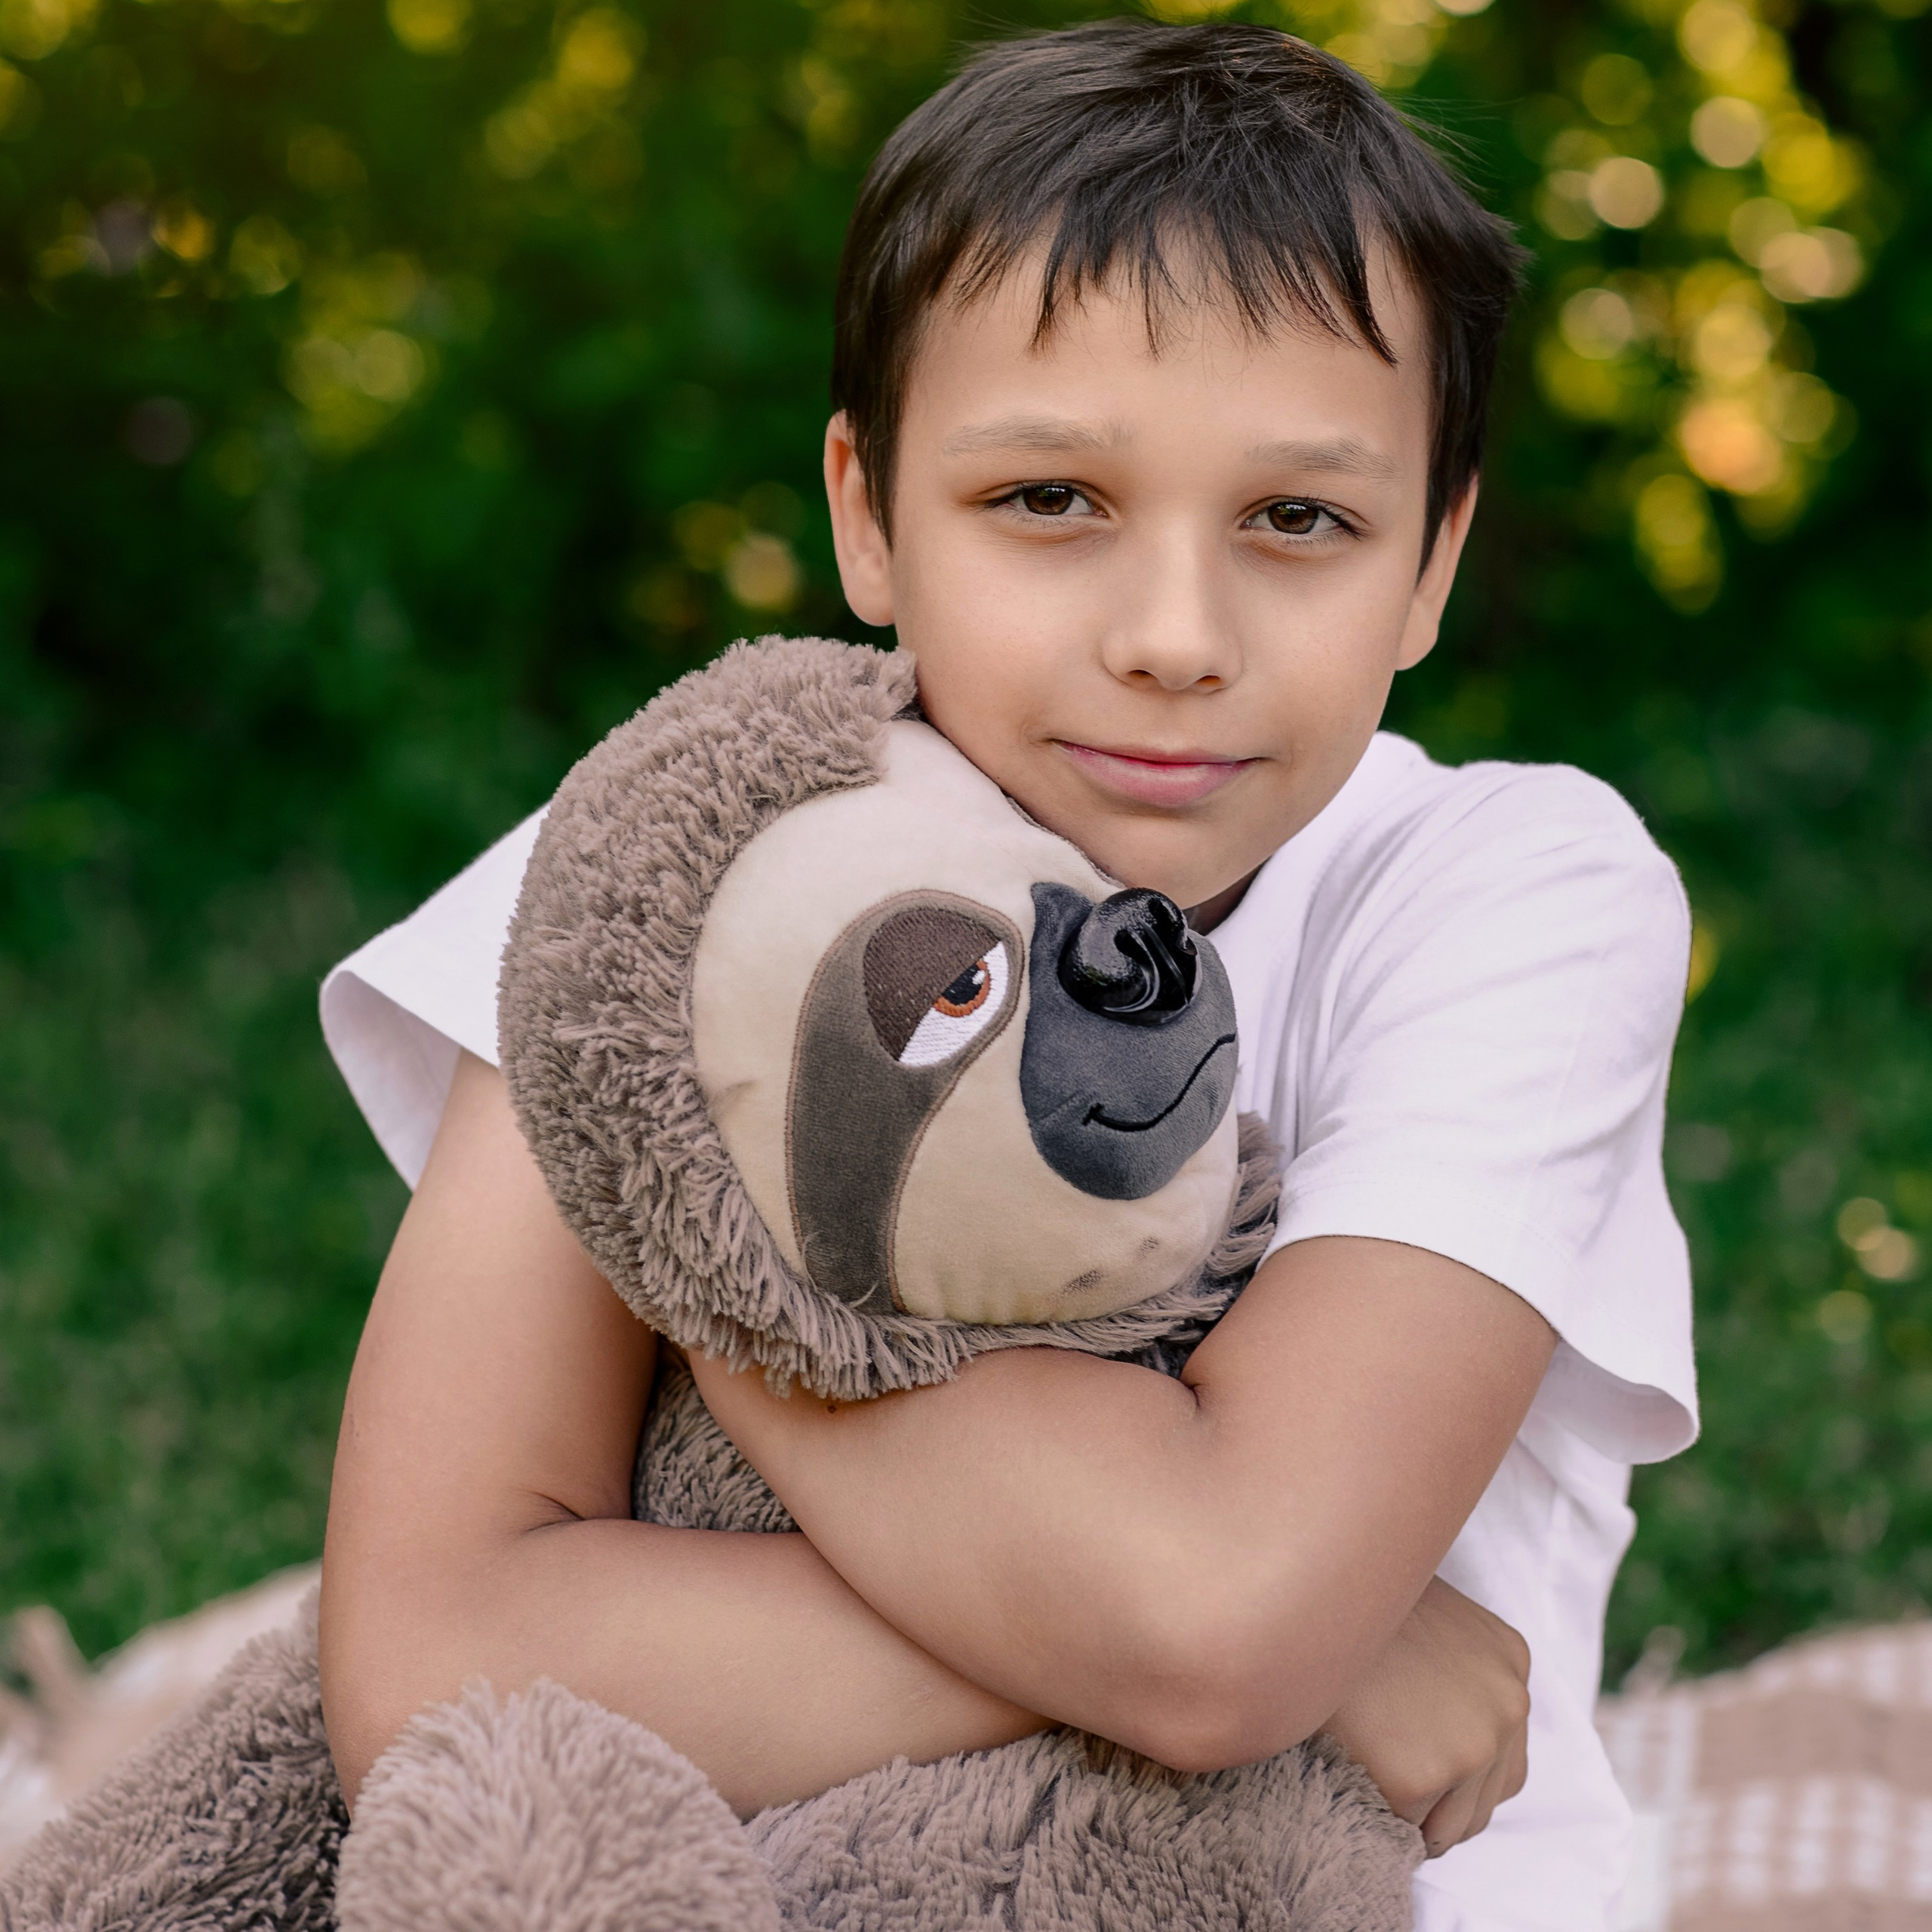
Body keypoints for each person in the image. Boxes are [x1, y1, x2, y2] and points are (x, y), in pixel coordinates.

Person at [315, 21, 1696, 1930]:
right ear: (866, 510)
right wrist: (1310, 1667)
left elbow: (1214, 1615)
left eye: (1298, 519)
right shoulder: (665, 860)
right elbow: (430, 1660)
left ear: (1432, 559)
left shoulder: (1505, 892)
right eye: (1048, 497)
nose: (1170, 636)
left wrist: (704, 1198)